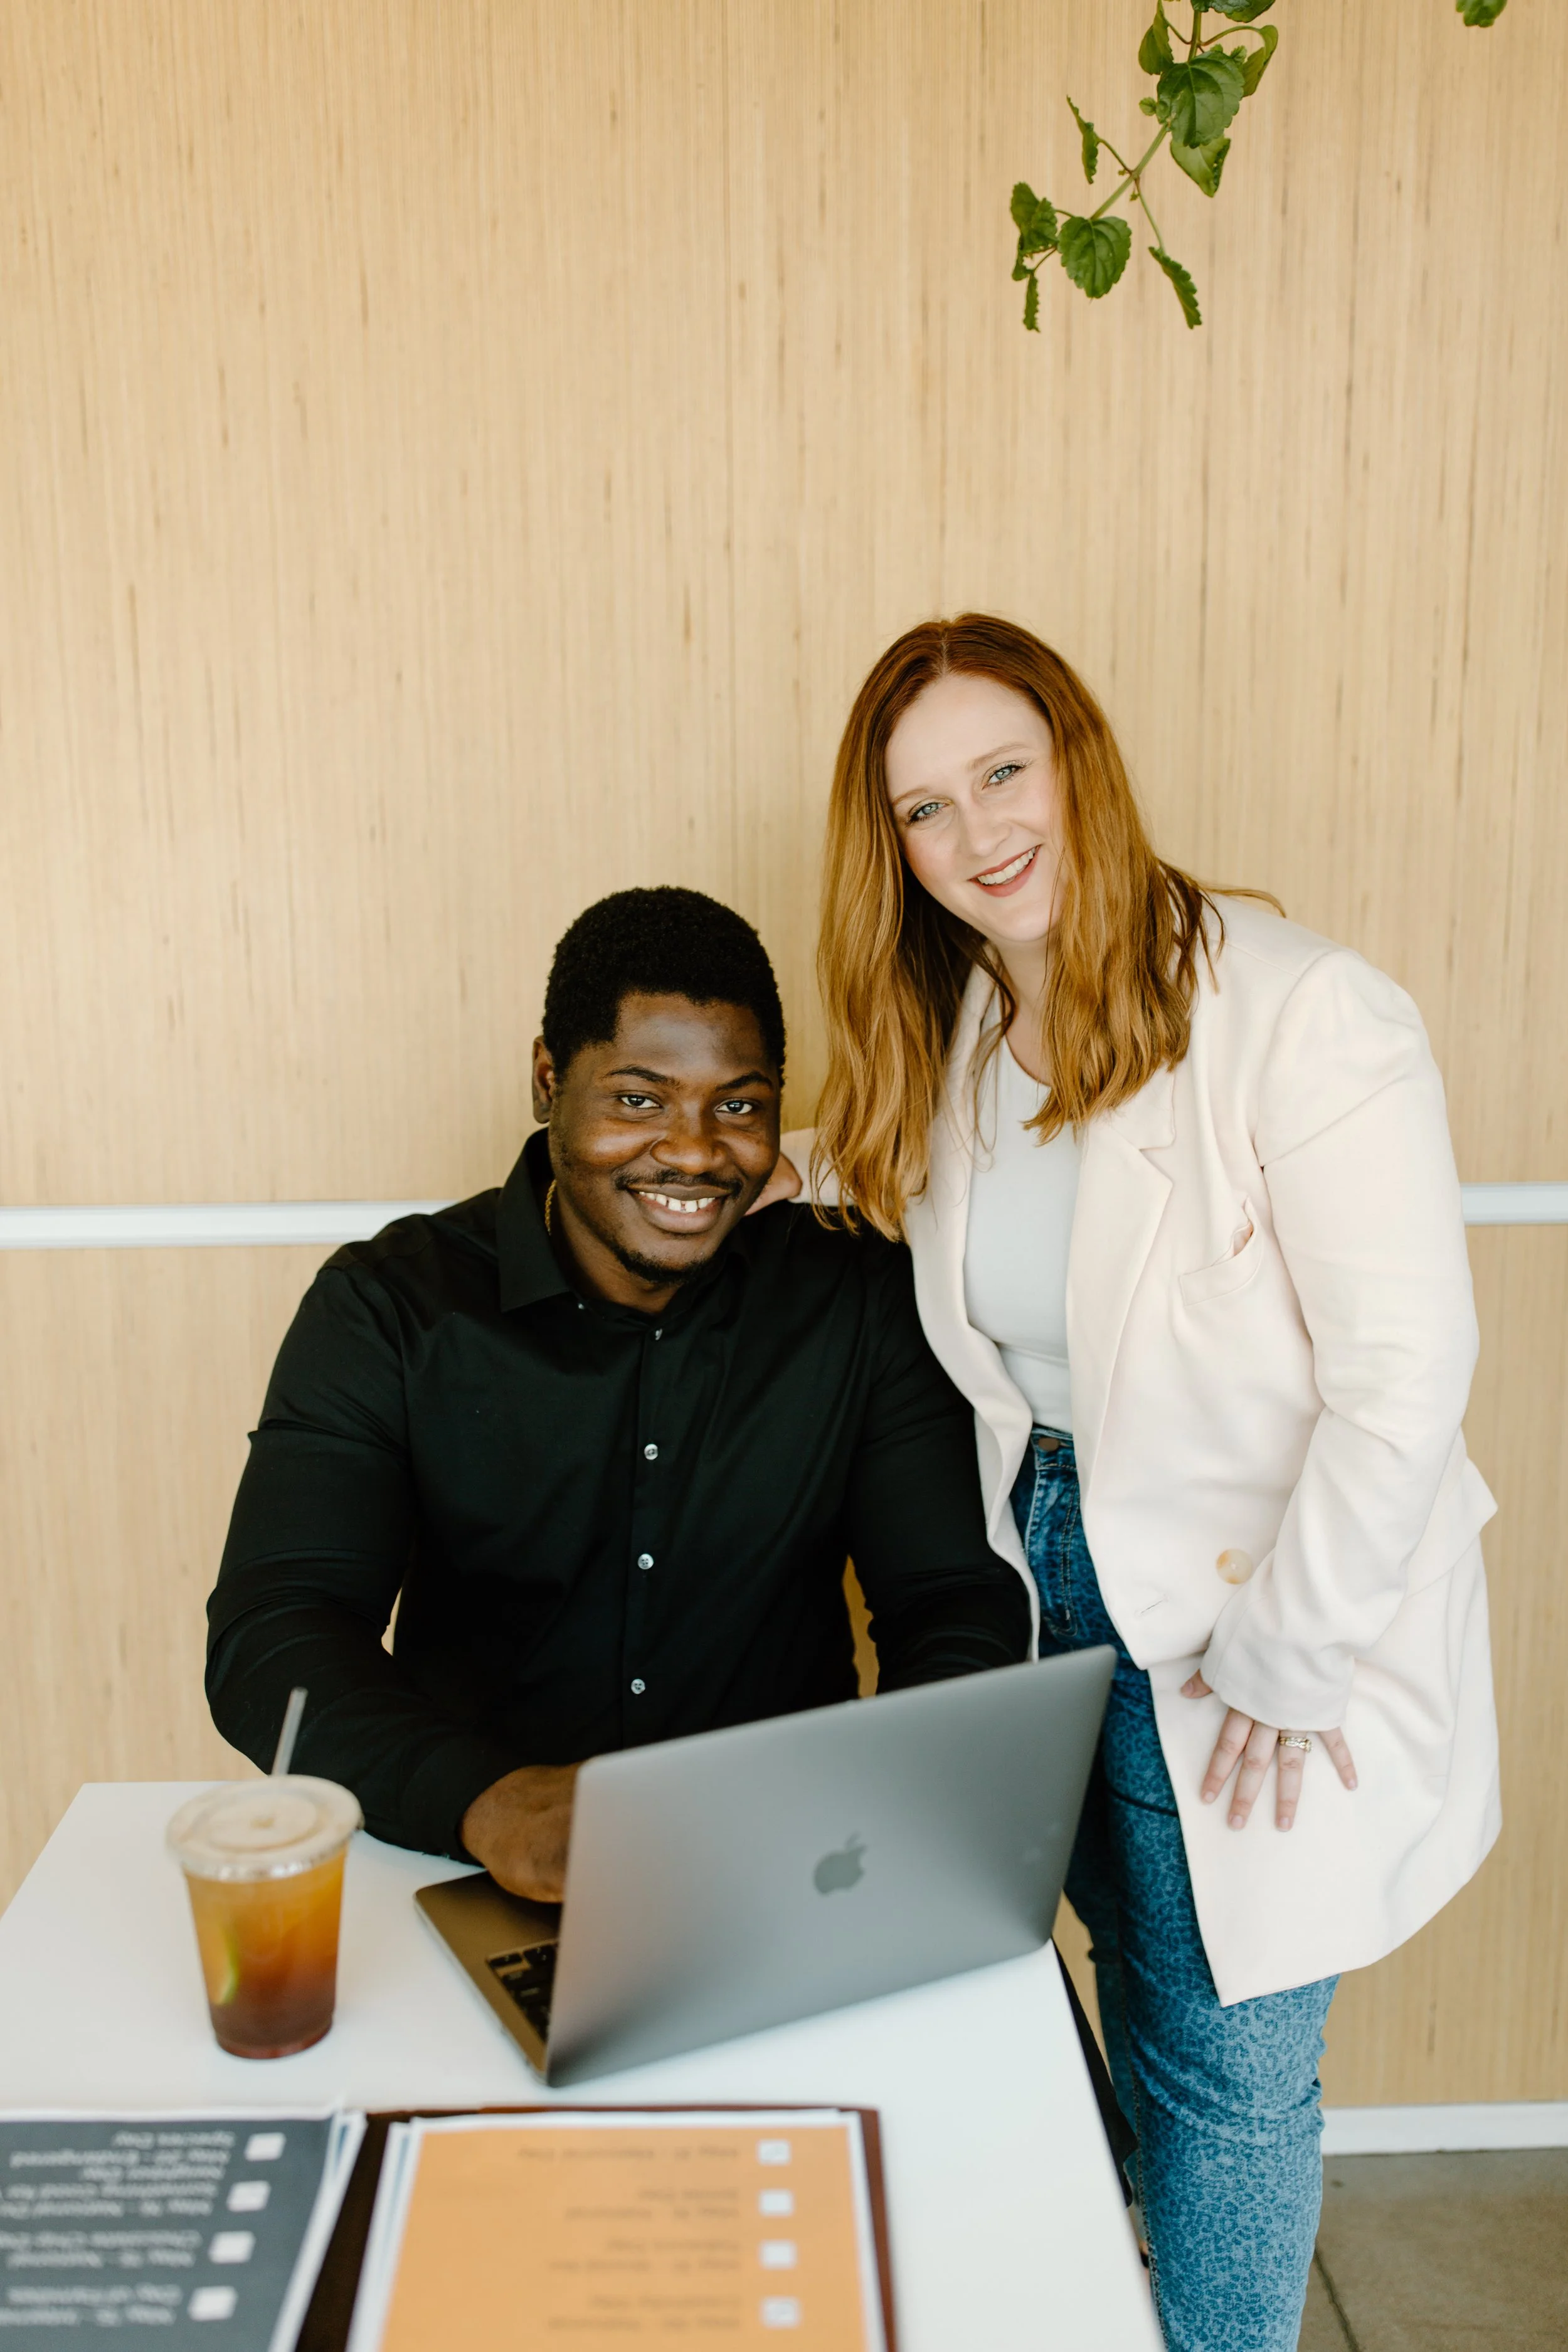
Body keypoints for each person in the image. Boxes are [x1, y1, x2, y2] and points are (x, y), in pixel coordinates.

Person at [760, 615, 1500, 2352]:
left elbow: (1403, 1375)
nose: (977, 832)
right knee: (1106, 1964)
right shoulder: (963, 1023)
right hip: (1041, 1569)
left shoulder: (1299, 1009)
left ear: (1075, 758)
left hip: (1261, 1602)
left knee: (1225, 2057)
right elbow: (929, 1203)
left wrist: (1290, 1655)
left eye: (1001, 771)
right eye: (925, 808)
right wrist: (738, 1163)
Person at [206, 886, 1029, 1902]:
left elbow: (951, 1601)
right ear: (549, 1080)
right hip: (469, 1873)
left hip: (792, 1876)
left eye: (739, 1105)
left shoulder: (858, 1299)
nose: (693, 1150)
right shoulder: (389, 1307)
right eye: (639, 1099)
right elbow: (274, 1631)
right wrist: (484, 1802)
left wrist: (884, 1808)